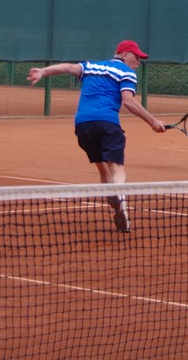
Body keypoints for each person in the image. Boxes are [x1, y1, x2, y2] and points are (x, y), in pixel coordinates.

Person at [27, 39, 166, 232]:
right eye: (137, 57)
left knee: (103, 169)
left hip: (83, 125)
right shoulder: (127, 72)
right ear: (125, 55)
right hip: (107, 122)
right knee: (116, 168)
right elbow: (128, 101)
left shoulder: (92, 66)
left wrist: (43, 72)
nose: (138, 62)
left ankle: (115, 203)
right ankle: (121, 201)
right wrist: (153, 121)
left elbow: (67, 67)